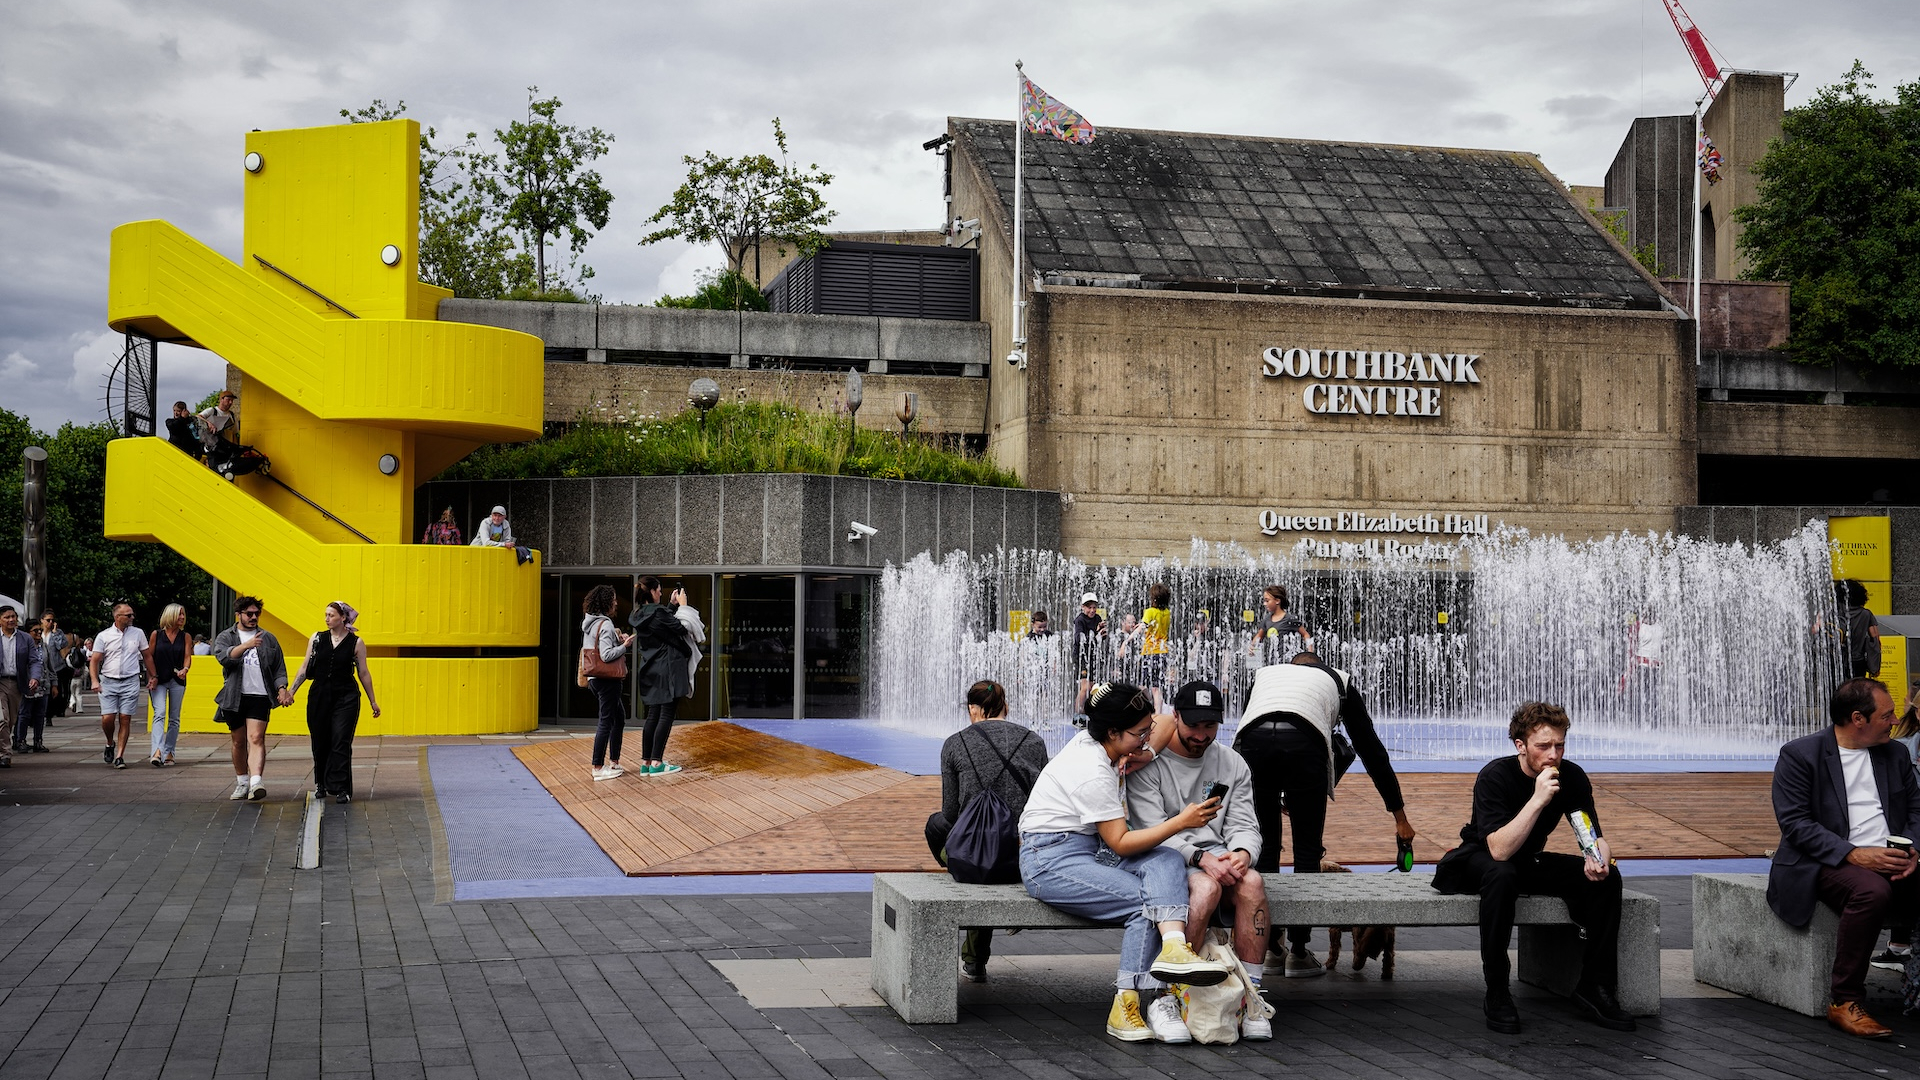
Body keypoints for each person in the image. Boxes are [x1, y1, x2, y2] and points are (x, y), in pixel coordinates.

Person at [1019, 680, 1232, 1044]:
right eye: (1139, 734)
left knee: (1166, 858)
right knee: (1143, 901)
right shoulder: (1092, 769)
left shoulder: (1103, 741)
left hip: (1086, 848)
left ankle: (1175, 947)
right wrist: (1181, 821)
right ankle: (1126, 1004)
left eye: (1147, 730)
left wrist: (1145, 751)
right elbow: (1120, 844)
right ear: (1114, 732)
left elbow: (1164, 720)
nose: (1148, 738)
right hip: (1048, 859)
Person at [1432, 701, 1633, 1035]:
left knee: (1607, 880)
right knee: (1502, 874)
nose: (1553, 755)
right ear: (1521, 746)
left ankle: (1594, 986)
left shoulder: (1572, 777)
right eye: (1543, 746)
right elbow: (1499, 849)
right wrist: (1538, 799)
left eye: (1559, 745)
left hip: (1524, 862)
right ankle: (1497, 990)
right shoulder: (1495, 776)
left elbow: (1591, 834)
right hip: (1477, 860)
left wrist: (1598, 859)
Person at [1235, 652, 1414, 977]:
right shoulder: (1338, 680)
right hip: (1305, 745)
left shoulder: (1266, 674)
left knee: (1264, 850)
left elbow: (1254, 723)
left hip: (1253, 744)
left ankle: (1270, 949)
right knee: (1306, 854)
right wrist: (1400, 817)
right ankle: (1299, 953)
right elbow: (1371, 750)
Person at [1766, 677, 1920, 1038]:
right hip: (1824, 861)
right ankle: (1844, 1000)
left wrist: (1913, 850)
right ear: (1858, 719)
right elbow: (1796, 825)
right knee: (1871, 891)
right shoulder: (1801, 754)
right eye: (1887, 715)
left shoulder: (1894, 753)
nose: (1896, 720)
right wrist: (1854, 854)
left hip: (1893, 856)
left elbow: (1916, 808)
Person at [1124, 679, 1271, 1041]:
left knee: (1252, 881)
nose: (1202, 735)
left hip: (1218, 857)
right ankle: (1166, 996)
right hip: (1168, 860)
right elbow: (1151, 830)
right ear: (1174, 718)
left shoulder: (1231, 762)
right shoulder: (1148, 765)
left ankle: (1250, 995)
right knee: (1204, 888)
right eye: (1193, 725)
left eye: (1210, 726)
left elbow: (1245, 824)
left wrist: (1242, 853)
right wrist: (1201, 857)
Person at [924, 680, 1049, 983]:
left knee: (937, 825)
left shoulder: (955, 743)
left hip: (977, 857)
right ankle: (976, 954)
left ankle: (975, 958)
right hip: (1022, 853)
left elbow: (951, 813)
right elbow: (1046, 804)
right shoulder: (1034, 741)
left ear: (973, 709)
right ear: (1005, 706)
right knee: (994, 847)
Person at [287, 601, 381, 803]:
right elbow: (305, 667)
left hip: (346, 696)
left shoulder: (356, 642)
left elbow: (364, 673)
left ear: (343, 617)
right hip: (320, 694)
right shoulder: (317, 638)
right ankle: (321, 783)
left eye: (331, 615)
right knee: (320, 741)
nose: (327, 618)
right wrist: (291, 691)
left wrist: (373, 701)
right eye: (326, 615)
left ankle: (342, 788)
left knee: (341, 740)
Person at [211, 596, 290, 801]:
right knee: (238, 742)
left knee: (256, 737)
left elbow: (279, 668)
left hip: (260, 695)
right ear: (239, 615)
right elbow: (224, 657)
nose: (254, 617)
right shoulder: (226, 636)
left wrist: (281, 688)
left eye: (257, 613)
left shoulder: (269, 638)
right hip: (234, 696)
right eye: (249, 614)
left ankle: (256, 782)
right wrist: (246, 645)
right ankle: (242, 782)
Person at [631, 577, 694, 775]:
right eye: (658, 590)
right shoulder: (659, 613)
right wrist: (683, 606)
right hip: (668, 668)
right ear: (651, 592)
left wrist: (671, 606)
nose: (660, 593)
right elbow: (681, 628)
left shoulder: (638, 614)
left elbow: (660, 623)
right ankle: (657, 763)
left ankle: (646, 762)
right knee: (666, 714)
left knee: (653, 714)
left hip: (651, 668)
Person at [89, 603, 152, 769]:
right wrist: (94, 680)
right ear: (117, 617)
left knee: (125, 718)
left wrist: (153, 676)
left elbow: (147, 656)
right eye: (128, 615)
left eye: (132, 614)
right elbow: (95, 660)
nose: (132, 617)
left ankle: (120, 756)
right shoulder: (104, 636)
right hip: (109, 680)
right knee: (107, 718)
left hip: (130, 680)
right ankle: (110, 743)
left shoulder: (138, 633)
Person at [580, 585, 633, 781]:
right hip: (607, 680)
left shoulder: (590, 623)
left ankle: (614, 762)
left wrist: (618, 641)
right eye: (613, 598)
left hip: (595, 679)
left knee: (618, 717)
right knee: (606, 721)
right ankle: (598, 766)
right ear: (606, 602)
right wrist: (625, 646)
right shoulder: (606, 624)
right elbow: (607, 655)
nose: (616, 602)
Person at [143, 603, 194, 766]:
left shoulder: (185, 636)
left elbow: (187, 656)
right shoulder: (156, 635)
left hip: (178, 680)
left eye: (183, 614)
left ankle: (170, 751)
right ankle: (157, 751)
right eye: (179, 614)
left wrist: (185, 669)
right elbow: (149, 657)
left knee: (174, 718)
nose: (182, 617)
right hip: (159, 680)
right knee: (159, 713)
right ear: (170, 615)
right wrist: (152, 676)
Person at [0, 606, 45, 767]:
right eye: (7, 617)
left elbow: (34, 661)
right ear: (0, 620)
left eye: (13, 616)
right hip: (0, 682)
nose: (11, 620)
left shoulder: (25, 638)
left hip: (17, 683)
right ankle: (5, 754)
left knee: (11, 720)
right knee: (2, 719)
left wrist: (34, 677)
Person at [1247, 585, 1312, 665]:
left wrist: (1310, 654)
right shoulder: (1266, 620)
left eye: (1267, 601)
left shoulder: (1289, 619)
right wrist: (1252, 647)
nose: (1264, 604)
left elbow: (1305, 634)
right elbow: (1259, 636)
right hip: (1270, 662)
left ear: (1277, 601)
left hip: (1287, 663)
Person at [1139, 584, 1173, 713]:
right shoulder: (1167, 612)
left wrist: (1126, 641)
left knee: (1147, 687)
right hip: (1163, 652)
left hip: (1150, 652)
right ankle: (1157, 710)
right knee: (1154, 687)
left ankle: (1155, 711)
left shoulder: (1150, 611)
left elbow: (1142, 628)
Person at [1071, 592, 1106, 714]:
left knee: (1092, 687)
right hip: (1081, 657)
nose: (1092, 610)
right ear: (1083, 607)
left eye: (1094, 607)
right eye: (1089, 607)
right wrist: (1095, 633)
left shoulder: (1097, 619)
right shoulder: (1079, 620)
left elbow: (1099, 638)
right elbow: (1079, 639)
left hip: (1093, 656)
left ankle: (1087, 714)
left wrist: (1102, 634)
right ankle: (1078, 715)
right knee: (1085, 687)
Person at [16, 626, 49, 754]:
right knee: (24, 713)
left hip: (42, 684)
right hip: (26, 684)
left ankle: (38, 741)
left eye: (40, 630)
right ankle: (20, 740)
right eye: (35, 630)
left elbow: (47, 665)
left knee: (40, 715)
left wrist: (53, 682)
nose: (39, 633)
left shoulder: (43, 646)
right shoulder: (22, 645)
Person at [39, 611, 70, 718]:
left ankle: (54, 712)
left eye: (52, 620)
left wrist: (56, 633)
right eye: (48, 620)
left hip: (56, 666)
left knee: (57, 690)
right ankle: (46, 712)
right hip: (43, 666)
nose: (50, 622)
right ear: (42, 621)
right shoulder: (39, 633)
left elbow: (61, 645)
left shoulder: (57, 633)